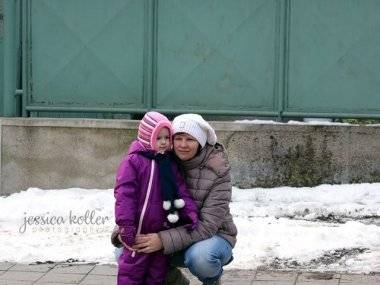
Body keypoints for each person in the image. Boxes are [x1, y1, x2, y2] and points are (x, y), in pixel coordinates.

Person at [112, 113, 238, 285]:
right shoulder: (160, 160)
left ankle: (213, 282)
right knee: (126, 252)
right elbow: (139, 201)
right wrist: (122, 233)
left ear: (200, 142)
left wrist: (162, 240)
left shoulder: (217, 170)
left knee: (201, 259)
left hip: (212, 236)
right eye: (178, 138)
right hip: (170, 232)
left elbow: (207, 225)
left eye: (190, 140)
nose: (183, 145)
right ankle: (177, 282)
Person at [114, 111, 199, 285]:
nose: (164, 142)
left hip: (161, 230)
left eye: (167, 138)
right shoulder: (133, 161)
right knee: (131, 273)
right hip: (139, 231)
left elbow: (180, 190)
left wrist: (190, 212)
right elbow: (125, 195)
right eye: (158, 138)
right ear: (147, 137)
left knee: (157, 275)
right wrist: (126, 226)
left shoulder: (168, 162)